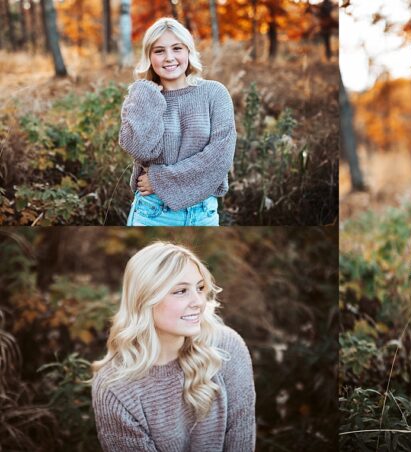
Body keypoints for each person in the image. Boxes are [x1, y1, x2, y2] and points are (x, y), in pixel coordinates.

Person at [91, 242, 255, 451]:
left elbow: (241, 440)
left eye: (200, 288)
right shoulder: (115, 389)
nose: (198, 301)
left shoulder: (227, 347)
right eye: (181, 291)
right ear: (145, 300)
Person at [119, 18, 236, 226]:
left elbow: (220, 156)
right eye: (159, 51)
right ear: (149, 57)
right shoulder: (144, 97)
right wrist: (145, 91)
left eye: (177, 48)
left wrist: (160, 180)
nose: (169, 58)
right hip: (153, 212)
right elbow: (140, 150)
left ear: (188, 52)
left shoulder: (214, 93)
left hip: (204, 213)